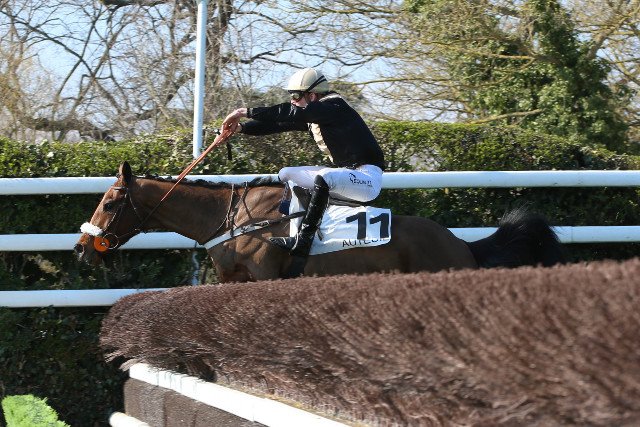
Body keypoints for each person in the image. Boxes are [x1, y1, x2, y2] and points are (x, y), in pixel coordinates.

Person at [221, 67, 385, 260]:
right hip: (347, 176)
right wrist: (240, 128)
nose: (292, 100)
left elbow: (288, 112)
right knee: (286, 174)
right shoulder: (317, 114)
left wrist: (244, 112)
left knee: (324, 176)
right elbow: (277, 123)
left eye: (296, 95)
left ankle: (305, 239)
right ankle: (293, 231)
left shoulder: (333, 107)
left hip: (366, 180)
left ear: (312, 95)